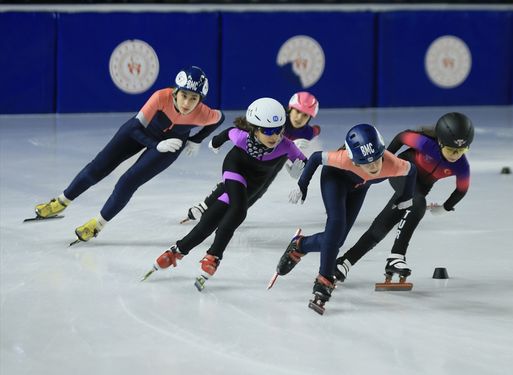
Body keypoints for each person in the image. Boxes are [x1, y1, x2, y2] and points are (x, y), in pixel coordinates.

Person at [32, 66, 225, 243]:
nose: (187, 103)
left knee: (127, 182)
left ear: (201, 100)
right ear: (176, 91)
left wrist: (196, 139)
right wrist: (156, 145)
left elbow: (220, 117)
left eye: (194, 98)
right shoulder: (161, 97)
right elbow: (134, 128)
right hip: (141, 133)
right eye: (184, 95)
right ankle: (61, 202)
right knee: (98, 168)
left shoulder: (204, 113)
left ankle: (97, 224)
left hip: (172, 145)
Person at [142, 97, 307, 292]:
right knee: (239, 209)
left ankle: (177, 250)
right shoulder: (242, 137)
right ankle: (214, 256)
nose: (275, 136)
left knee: (211, 220)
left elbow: (306, 164)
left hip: (255, 181)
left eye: (279, 130)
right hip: (235, 167)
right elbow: (227, 133)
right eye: (268, 131)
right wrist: (214, 143)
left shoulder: (286, 145)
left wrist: (301, 182)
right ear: (254, 128)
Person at [272, 123, 417, 314]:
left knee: (336, 240)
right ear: (353, 160)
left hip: (359, 188)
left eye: (376, 159)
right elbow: (316, 158)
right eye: (365, 162)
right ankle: (324, 280)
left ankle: (300, 245)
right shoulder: (342, 159)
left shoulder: (392, 163)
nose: (373, 167)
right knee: (336, 224)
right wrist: (302, 185)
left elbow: (412, 170)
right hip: (335, 180)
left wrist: (407, 197)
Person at [334, 112, 473, 283]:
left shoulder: (462, 166)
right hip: (402, 172)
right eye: (452, 149)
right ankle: (397, 256)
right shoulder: (425, 143)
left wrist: (445, 207)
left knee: (384, 224)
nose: (456, 155)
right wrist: (384, 161)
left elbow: (462, 189)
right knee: (418, 203)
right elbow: (401, 137)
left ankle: (345, 262)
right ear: (440, 142)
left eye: (462, 150)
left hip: (420, 189)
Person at [181, 91, 321, 223]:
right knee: (236, 181)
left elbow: (315, 133)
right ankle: (204, 205)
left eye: (305, 115)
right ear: (290, 108)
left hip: (277, 157)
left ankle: (232, 213)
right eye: (298, 112)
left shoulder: (308, 133)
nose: (299, 118)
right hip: (253, 152)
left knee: (260, 190)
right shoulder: (277, 116)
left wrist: (295, 168)